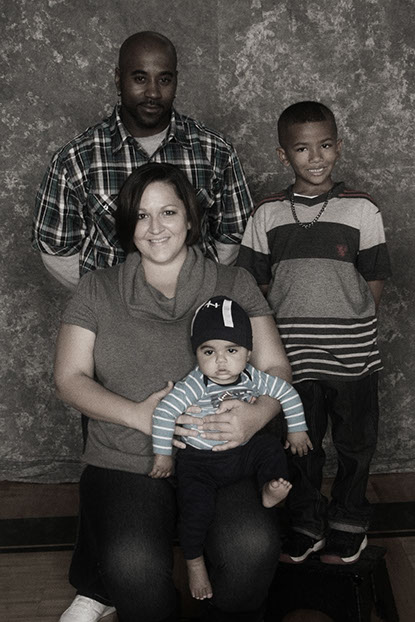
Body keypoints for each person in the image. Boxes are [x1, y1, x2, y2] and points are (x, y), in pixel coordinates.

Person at [55, 162, 292, 622]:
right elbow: (70, 378)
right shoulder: (97, 289)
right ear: (128, 224)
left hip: (223, 454)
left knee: (251, 549)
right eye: (141, 216)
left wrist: (256, 415)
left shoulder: (233, 283)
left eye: (167, 212)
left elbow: (275, 365)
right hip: (129, 458)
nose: (155, 228)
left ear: (189, 217)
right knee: (132, 568)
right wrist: (138, 416)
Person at [236, 101, 392, 565]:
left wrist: (351, 320)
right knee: (299, 444)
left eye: (325, 145)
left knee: (355, 444)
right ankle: (307, 522)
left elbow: (374, 277)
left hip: (351, 353)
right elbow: (254, 283)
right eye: (302, 149)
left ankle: (349, 522)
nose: (316, 157)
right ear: (284, 155)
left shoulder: (361, 208)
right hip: (293, 355)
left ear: (338, 147)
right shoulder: (267, 213)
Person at [31, 31, 253, 291]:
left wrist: (193, 291)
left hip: (197, 303)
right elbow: (56, 248)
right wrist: (107, 299)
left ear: (176, 80)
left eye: (164, 80)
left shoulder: (215, 150)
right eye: (140, 78)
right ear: (118, 78)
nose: (153, 92)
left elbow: (233, 235)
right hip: (112, 309)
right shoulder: (75, 158)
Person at [151, 295, 312, 600]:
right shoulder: (195, 384)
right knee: (195, 511)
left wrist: (297, 429)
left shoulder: (253, 376)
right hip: (200, 462)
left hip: (242, 453)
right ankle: (194, 562)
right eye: (208, 351)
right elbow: (163, 413)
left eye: (232, 350)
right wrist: (163, 456)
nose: (221, 361)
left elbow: (286, 393)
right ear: (197, 354)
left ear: (248, 353)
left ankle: (268, 490)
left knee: (270, 448)